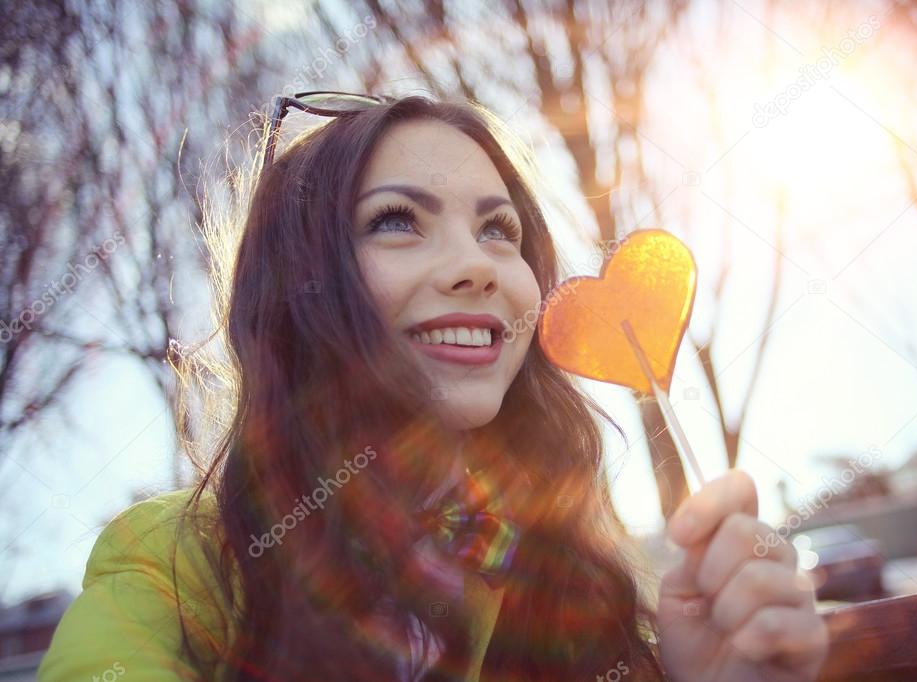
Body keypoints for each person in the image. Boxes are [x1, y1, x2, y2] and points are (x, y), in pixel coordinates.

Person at [38, 92, 826, 681]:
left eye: (498, 230)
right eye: (395, 220)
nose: (476, 264)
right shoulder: (176, 565)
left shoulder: (582, 580)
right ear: (298, 285)